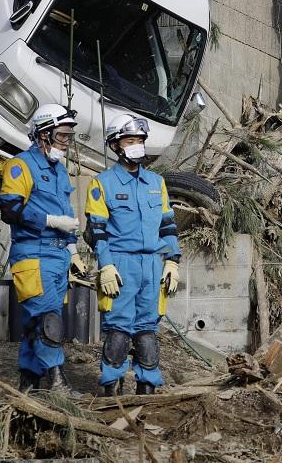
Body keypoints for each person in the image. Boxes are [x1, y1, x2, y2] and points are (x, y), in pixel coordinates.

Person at [85, 114, 180, 396]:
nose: (137, 145)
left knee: (147, 330)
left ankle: (147, 386)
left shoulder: (156, 182)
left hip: (151, 265)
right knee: (118, 330)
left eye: (140, 140)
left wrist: (173, 261)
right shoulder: (102, 184)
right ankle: (111, 387)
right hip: (120, 265)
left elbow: (168, 224)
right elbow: (97, 231)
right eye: (130, 140)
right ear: (115, 145)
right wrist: (106, 266)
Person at [0, 103, 84, 391]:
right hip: (33, 254)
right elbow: (9, 210)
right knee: (48, 320)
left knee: (38, 322)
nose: (66, 142)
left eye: (69, 137)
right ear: (43, 134)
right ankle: (58, 383)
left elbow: (67, 217)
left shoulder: (59, 172)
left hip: (57, 256)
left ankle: (28, 384)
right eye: (62, 136)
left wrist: (73, 252)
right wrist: (50, 220)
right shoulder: (21, 164)